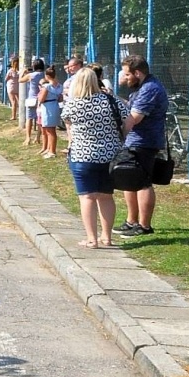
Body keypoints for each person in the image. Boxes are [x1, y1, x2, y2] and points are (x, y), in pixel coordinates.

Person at [61, 67, 123, 249]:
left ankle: (91, 239)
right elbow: (127, 120)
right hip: (110, 156)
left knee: (87, 197)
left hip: (82, 155)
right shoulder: (110, 101)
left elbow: (66, 122)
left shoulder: (73, 104)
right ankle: (107, 237)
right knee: (106, 196)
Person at [116, 55, 167, 237]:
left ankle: (144, 226)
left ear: (138, 73)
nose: (125, 78)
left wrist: (118, 139)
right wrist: (113, 98)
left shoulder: (150, 88)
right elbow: (130, 107)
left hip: (145, 142)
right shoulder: (140, 88)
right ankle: (131, 221)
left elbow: (134, 118)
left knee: (143, 182)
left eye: (127, 75)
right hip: (134, 141)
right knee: (130, 180)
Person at [38, 66, 64, 159]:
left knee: (50, 131)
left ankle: (52, 151)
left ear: (47, 76)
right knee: (50, 130)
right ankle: (49, 149)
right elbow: (61, 98)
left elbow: (41, 99)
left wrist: (39, 95)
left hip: (47, 107)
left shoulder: (46, 87)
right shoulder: (59, 86)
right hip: (55, 106)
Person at [24, 59, 47, 145]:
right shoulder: (45, 75)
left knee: (29, 118)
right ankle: (37, 137)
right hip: (42, 98)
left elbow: (21, 80)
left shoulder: (31, 75)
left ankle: (28, 138)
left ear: (34, 66)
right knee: (39, 119)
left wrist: (24, 72)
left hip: (32, 98)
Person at [4, 55, 21, 123]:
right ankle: (21, 114)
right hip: (18, 87)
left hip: (11, 87)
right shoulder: (19, 71)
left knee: (13, 102)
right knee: (20, 101)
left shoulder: (10, 70)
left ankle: (13, 116)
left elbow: (6, 78)